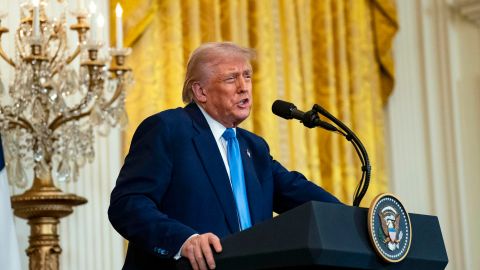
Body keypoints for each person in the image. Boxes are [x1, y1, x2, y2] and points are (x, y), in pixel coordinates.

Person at [108, 42, 341, 270]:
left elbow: (301, 193)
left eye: (247, 76)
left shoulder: (254, 147)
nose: (244, 87)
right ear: (200, 91)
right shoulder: (168, 129)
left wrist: (358, 222)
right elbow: (127, 204)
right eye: (231, 78)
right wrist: (184, 241)